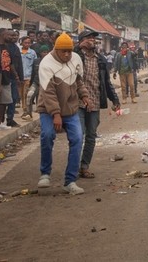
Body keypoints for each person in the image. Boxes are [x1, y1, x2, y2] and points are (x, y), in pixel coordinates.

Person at [37, 33, 89, 195]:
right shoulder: (46, 64)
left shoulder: (75, 59)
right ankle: (45, 173)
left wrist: (85, 96)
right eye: (63, 52)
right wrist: (56, 114)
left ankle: (70, 181)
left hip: (71, 109)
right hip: (48, 109)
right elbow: (49, 92)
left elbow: (78, 81)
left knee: (77, 139)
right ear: (56, 49)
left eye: (69, 51)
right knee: (47, 135)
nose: (67, 55)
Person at [75, 30, 120, 179]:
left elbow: (106, 82)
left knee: (91, 136)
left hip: (94, 102)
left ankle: (84, 167)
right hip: (77, 103)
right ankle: (73, 167)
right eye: (88, 38)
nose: (92, 41)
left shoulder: (100, 59)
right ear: (81, 41)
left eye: (94, 39)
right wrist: (78, 47)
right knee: (78, 135)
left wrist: (115, 99)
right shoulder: (75, 56)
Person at [19, 36, 37, 120]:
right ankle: (24, 109)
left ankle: (26, 111)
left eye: (29, 42)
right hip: (19, 77)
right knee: (20, 94)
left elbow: (35, 64)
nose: (27, 44)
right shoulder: (18, 51)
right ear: (22, 43)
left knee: (27, 94)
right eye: (25, 42)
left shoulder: (32, 53)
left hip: (28, 76)